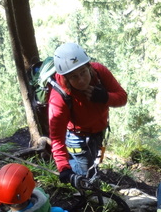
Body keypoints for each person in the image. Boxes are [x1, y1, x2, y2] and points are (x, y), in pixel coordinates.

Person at [48, 42, 128, 187]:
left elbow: (122, 97)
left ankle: (92, 180)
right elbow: (57, 138)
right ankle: (87, 194)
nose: (81, 80)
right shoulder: (59, 98)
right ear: (66, 78)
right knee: (83, 175)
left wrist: (105, 97)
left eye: (83, 72)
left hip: (98, 133)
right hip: (77, 138)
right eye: (73, 77)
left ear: (89, 67)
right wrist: (63, 168)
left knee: (92, 164)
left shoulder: (99, 73)